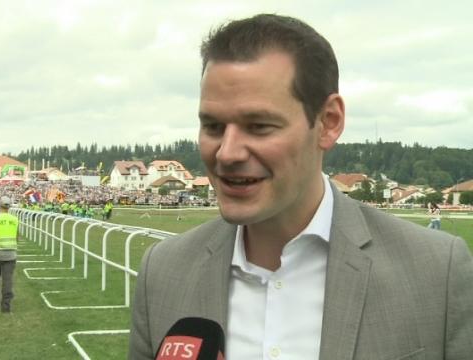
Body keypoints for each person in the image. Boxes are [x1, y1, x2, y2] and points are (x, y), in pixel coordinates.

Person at [129, 14, 473, 359]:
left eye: (259, 126)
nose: (227, 153)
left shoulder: (437, 272)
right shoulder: (162, 272)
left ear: (328, 123)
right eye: (214, 126)